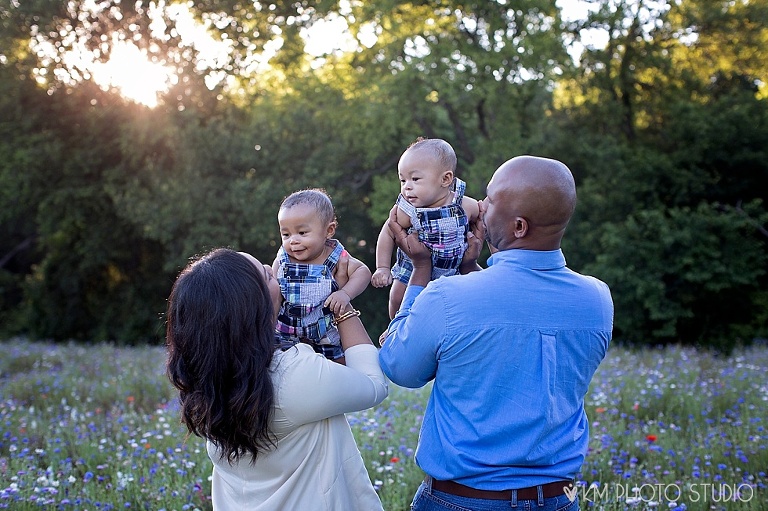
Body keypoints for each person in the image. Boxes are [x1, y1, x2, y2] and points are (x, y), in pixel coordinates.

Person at [378, 155, 614, 511]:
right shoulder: (598, 299)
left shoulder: (447, 297)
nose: (481, 207)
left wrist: (420, 270)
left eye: (491, 200)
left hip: (460, 500)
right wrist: (470, 265)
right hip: (557, 501)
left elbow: (399, 367)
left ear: (518, 226)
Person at [166, 248, 388, 510]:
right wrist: (342, 305)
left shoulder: (207, 377)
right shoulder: (294, 374)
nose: (273, 269)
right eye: (265, 274)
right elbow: (374, 384)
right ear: (250, 308)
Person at [371, 137, 480, 318]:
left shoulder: (464, 205)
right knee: (397, 296)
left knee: (465, 302)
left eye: (415, 179)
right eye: (403, 180)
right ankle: (395, 327)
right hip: (412, 268)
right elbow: (388, 231)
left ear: (445, 179)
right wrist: (382, 267)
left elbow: (487, 223)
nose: (407, 187)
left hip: (454, 269)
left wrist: (497, 254)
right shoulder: (408, 210)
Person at [272, 188, 372, 361]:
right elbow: (274, 294)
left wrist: (345, 293)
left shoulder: (335, 257)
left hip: (325, 329)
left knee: (340, 365)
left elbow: (362, 272)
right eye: (286, 234)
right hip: (288, 331)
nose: (293, 240)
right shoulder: (283, 260)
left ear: (329, 230)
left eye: (302, 233)